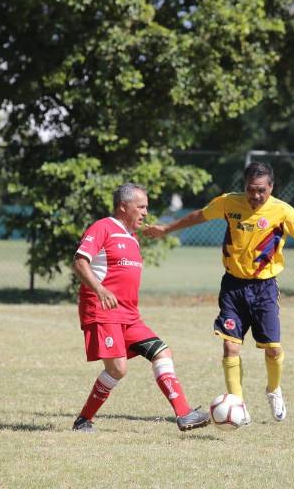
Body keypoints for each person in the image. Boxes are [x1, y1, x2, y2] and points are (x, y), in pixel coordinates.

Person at [144, 162, 294, 423]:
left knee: (273, 349)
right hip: (233, 286)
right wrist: (166, 229)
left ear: (271, 187)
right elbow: (199, 215)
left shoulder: (283, 212)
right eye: (251, 189)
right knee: (230, 346)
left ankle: (274, 390)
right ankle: (238, 404)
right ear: (244, 186)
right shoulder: (228, 203)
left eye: (262, 190)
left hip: (265, 288)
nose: (256, 195)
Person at [71, 183, 210, 433]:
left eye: (146, 207)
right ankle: (83, 420)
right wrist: (100, 290)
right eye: (141, 207)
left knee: (162, 353)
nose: (145, 212)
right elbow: (80, 262)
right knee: (117, 369)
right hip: (103, 311)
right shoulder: (103, 227)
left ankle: (184, 414)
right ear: (124, 207)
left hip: (130, 316)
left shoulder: (132, 238)